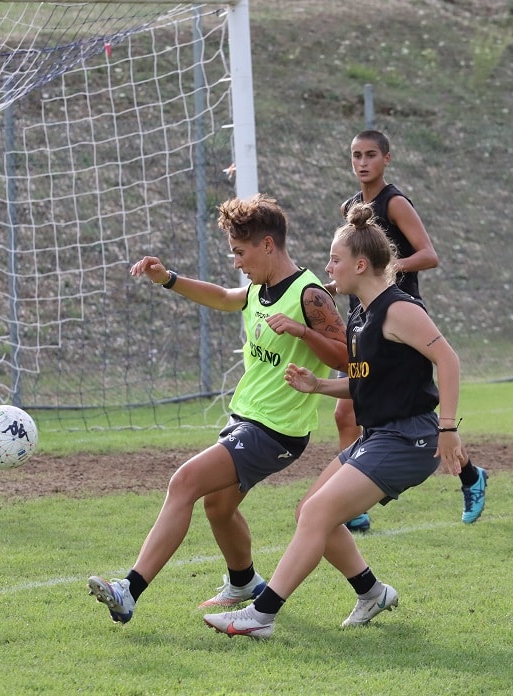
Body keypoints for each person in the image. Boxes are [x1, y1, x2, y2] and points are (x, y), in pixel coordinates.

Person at [203, 202, 466, 639]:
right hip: (381, 435)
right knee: (310, 510)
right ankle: (371, 592)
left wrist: (449, 427)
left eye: (335, 259)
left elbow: (448, 359)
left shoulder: (398, 309)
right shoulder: (361, 315)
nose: (328, 267)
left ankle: (261, 615)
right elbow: (367, 382)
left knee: (319, 512)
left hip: (410, 438)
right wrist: (319, 386)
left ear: (361, 264)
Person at [87, 193, 348, 624]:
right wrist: (167, 278)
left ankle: (128, 590)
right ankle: (244, 580)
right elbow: (226, 297)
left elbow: (344, 354)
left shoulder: (310, 295)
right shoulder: (261, 288)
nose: (236, 262)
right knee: (219, 508)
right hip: (247, 418)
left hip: (277, 429)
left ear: (267, 245)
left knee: (185, 481)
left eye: (240, 252)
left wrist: (302, 332)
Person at [333, 130, 487, 527]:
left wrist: (388, 268)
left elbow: (429, 255)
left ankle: (468, 475)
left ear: (387, 158)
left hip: (399, 320)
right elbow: (352, 261)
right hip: (362, 318)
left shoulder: (394, 202)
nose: (362, 162)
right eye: (355, 155)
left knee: (407, 411)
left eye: (370, 155)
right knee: (345, 413)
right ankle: (354, 501)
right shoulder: (352, 207)